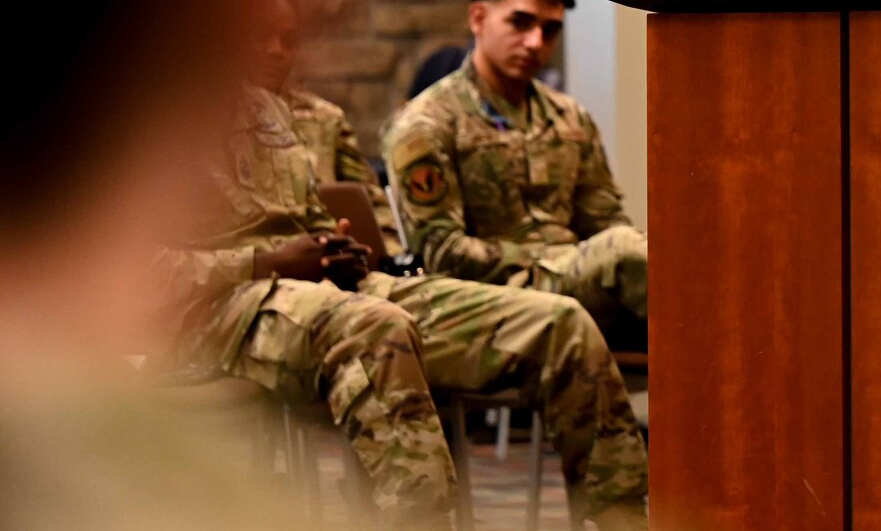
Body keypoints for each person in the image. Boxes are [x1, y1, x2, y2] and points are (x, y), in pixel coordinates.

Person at [159, 82, 651, 530]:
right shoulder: (131, 118)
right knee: (376, 328)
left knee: (557, 321)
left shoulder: (261, 106)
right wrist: (267, 260)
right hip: (215, 310)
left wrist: (334, 251)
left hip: (323, 290)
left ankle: (619, 519)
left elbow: (308, 218)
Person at [384, 0, 648, 350]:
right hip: (489, 300)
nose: (536, 43)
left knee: (671, 256)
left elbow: (605, 220)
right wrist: (553, 260)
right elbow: (440, 252)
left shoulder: (569, 118)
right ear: (478, 18)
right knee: (628, 252)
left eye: (550, 30)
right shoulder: (427, 123)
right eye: (520, 23)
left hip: (574, 287)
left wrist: (581, 261)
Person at [252, 0, 404, 255]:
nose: (277, 51)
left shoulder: (325, 119)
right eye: (261, 37)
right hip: (258, 269)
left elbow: (375, 210)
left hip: (338, 263)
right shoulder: (204, 124)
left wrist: (387, 257)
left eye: (289, 41)